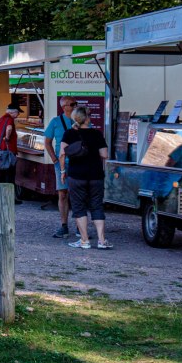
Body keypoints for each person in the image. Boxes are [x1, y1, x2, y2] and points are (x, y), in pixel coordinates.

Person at [60, 106, 110, 249]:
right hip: (96, 175)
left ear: (74, 118)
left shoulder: (69, 134)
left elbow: (62, 154)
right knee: (97, 206)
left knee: (79, 207)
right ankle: (101, 241)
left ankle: (84, 240)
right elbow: (104, 155)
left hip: (76, 175)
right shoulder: (97, 134)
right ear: (88, 118)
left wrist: (63, 171)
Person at [44, 96, 77, 238]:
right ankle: (64, 225)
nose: (76, 106)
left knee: (78, 194)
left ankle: (79, 226)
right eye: (73, 104)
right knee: (62, 194)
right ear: (65, 107)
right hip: (62, 163)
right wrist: (54, 159)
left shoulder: (80, 120)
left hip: (78, 163)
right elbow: (47, 142)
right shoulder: (55, 122)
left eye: (76, 103)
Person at [0, 102, 20, 186]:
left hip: (1, 149)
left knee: (2, 172)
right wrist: (7, 138)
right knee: (9, 173)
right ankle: (10, 196)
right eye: (18, 113)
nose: (18, 115)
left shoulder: (2, 118)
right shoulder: (10, 119)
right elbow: (9, 128)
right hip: (8, 150)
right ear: (13, 112)